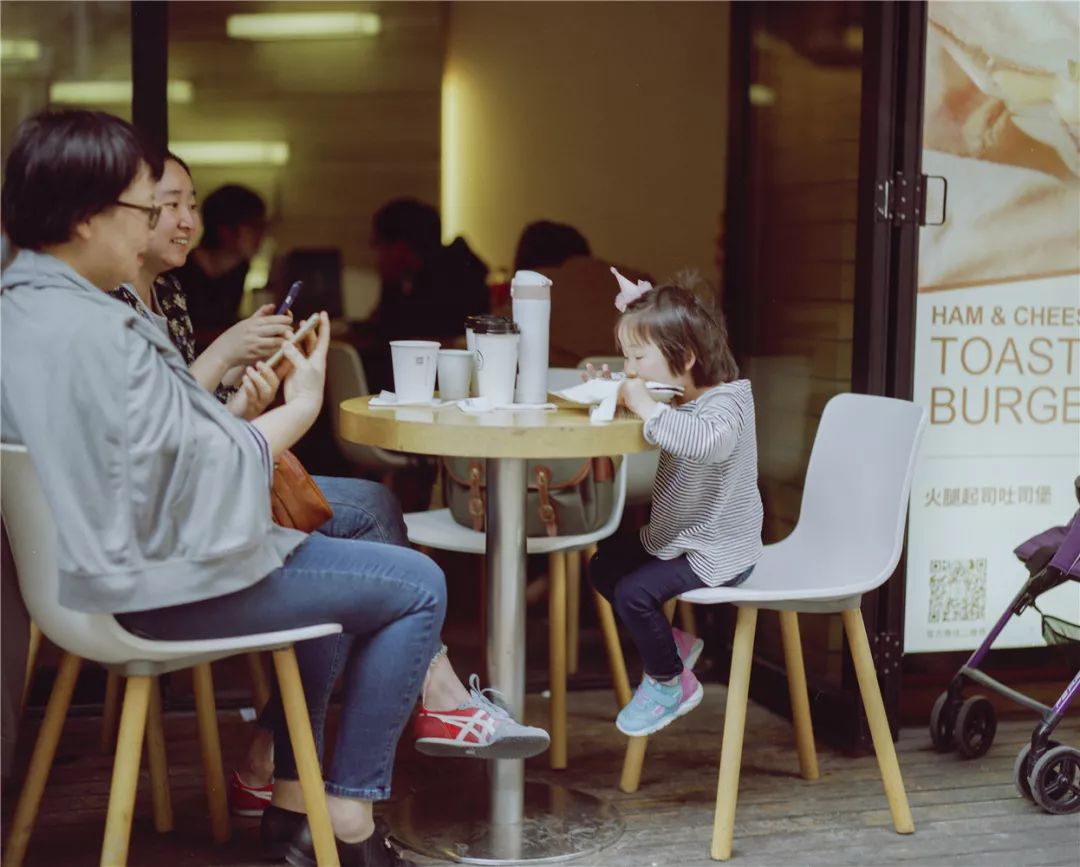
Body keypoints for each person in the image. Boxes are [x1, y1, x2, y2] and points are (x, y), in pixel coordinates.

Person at [0, 109, 458, 867]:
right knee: (415, 584)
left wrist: (238, 411)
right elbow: (194, 472)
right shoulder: (99, 331)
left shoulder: (24, 303)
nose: (154, 227)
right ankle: (343, 810)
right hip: (155, 581)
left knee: (350, 547)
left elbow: (157, 446)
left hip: (96, 573)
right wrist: (301, 406)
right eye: (144, 209)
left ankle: (291, 797)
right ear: (85, 218)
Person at [109, 153, 549, 821]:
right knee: (407, 574)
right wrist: (257, 383)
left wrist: (242, 404)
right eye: (165, 204)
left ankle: (285, 767)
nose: (183, 221)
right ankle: (346, 776)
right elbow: (159, 444)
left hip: (185, 516)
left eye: (190, 204)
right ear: (111, 213)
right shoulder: (103, 313)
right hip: (171, 551)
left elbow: (179, 431)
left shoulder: (157, 293)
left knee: (373, 510)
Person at [587, 271, 763, 737]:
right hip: (683, 535)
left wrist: (645, 406)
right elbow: (665, 420)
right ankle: (671, 645)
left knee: (634, 593)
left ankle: (669, 684)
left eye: (638, 358)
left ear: (685, 357)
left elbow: (705, 443)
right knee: (604, 564)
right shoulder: (682, 398)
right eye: (627, 358)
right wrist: (617, 395)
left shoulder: (727, 404)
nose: (632, 370)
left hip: (719, 550)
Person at [370, 198, 489, 342]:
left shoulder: (451, 284)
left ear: (400, 248)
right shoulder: (410, 278)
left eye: (378, 244)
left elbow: (394, 337)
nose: (376, 255)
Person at [174, 182, 267, 340]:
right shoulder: (178, 269)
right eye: (255, 227)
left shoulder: (240, 268)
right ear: (226, 231)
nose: (262, 235)